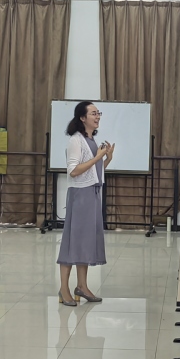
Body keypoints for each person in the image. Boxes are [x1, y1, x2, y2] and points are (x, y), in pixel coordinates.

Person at [57, 101, 115, 306]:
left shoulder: (91, 140)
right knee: (73, 242)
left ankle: (82, 286)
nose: (97, 117)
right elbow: (74, 171)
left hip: (92, 194)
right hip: (80, 196)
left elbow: (93, 171)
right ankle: (64, 289)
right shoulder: (76, 140)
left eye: (98, 113)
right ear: (82, 118)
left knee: (85, 242)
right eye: (93, 113)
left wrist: (107, 159)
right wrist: (98, 156)